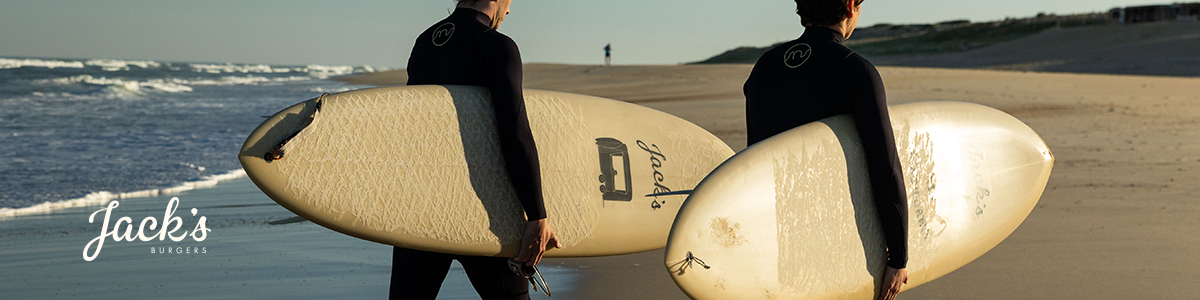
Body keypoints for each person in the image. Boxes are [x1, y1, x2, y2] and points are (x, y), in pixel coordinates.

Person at [393, 1, 560, 299]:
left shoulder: (424, 43)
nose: (508, 12)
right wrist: (537, 216)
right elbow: (514, 132)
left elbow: (412, 133)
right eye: (509, 2)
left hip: (420, 209)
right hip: (482, 209)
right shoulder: (497, 46)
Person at [742, 1, 909, 300]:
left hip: (774, 240)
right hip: (834, 245)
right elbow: (885, 167)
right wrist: (898, 257)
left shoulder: (764, 67)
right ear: (849, 7)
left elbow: (753, 158)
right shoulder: (855, 69)